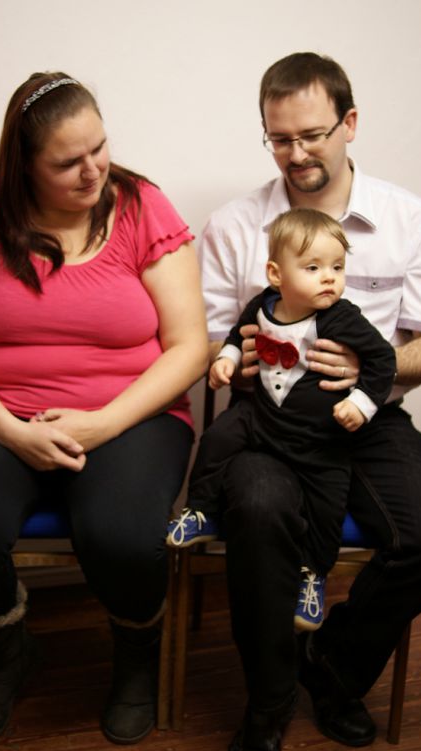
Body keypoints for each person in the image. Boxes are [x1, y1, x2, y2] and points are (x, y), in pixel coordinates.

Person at [0, 71, 208, 751]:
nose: (93, 171)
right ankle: (4, 656)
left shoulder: (143, 206)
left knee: (122, 534)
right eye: (68, 161)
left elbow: (191, 345)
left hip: (131, 413)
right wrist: (10, 430)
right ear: (23, 164)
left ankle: (136, 662)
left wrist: (103, 423)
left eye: (99, 148)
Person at [199, 52, 421, 751]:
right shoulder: (235, 226)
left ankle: (332, 668)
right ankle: (266, 706)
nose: (297, 154)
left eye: (312, 135)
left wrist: (375, 366)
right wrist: (238, 355)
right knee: (259, 512)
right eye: (280, 139)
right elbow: (207, 342)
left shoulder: (409, 219)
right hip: (268, 420)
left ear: (349, 123)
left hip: (369, 415)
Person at [168, 208, 396, 632]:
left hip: (319, 437)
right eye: (313, 268)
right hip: (262, 418)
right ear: (276, 274)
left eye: (337, 267)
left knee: (327, 506)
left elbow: (384, 360)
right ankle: (201, 510)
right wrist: (227, 360)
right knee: (218, 437)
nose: (329, 278)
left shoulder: (342, 318)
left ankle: (313, 573)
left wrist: (362, 403)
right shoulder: (262, 305)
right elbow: (237, 335)